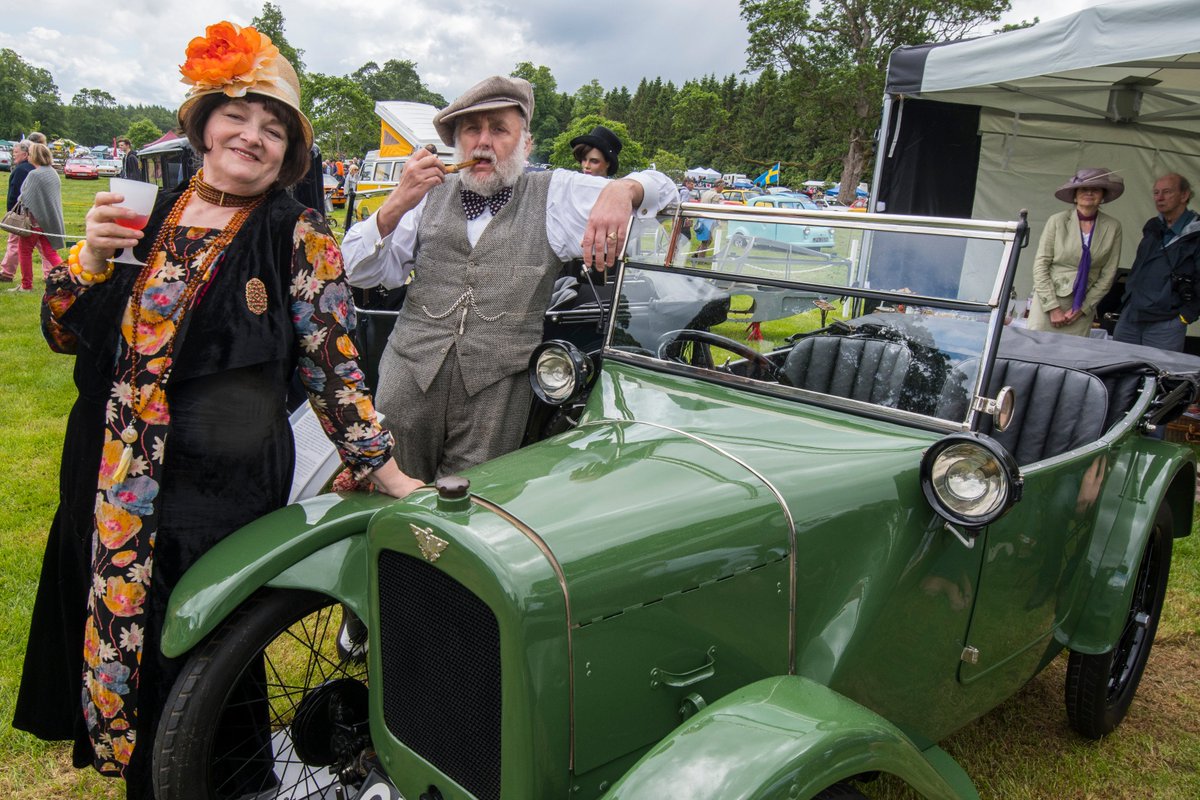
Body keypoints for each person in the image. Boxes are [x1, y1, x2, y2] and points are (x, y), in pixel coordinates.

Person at [12, 20, 421, 799]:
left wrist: (382, 469)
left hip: (213, 495)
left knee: (194, 655)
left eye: (275, 129)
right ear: (203, 124)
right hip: (106, 476)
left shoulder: (295, 234)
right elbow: (65, 332)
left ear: (290, 155)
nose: (254, 136)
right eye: (239, 114)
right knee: (114, 636)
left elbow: (334, 364)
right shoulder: (150, 211)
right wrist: (89, 260)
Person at [342, 75, 676, 482]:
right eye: (472, 129)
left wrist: (624, 189)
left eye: (499, 129)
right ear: (458, 142)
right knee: (387, 491)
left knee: (472, 503)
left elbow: (666, 192)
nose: (484, 142)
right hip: (408, 375)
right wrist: (394, 204)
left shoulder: (554, 194)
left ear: (525, 143)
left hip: (497, 390)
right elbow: (357, 269)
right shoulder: (427, 192)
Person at [1028, 168, 1124, 336]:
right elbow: (1040, 265)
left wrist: (1084, 308)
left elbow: (1108, 274)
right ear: (1074, 195)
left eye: (1095, 189)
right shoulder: (1057, 221)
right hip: (1048, 303)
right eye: (1084, 189)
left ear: (1103, 196)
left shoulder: (1113, 226)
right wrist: (1052, 307)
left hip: (1082, 307)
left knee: (1070, 358)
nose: (1089, 193)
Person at [1114, 172, 1200, 351]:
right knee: (1118, 370)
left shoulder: (1196, 233)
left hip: (1167, 322)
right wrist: (1128, 300)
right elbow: (1138, 268)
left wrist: (1185, 316)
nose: (1160, 197)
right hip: (1132, 315)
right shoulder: (1153, 226)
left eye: (1167, 192)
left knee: (1157, 374)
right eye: (1156, 192)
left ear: (1184, 195)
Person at [8, 142, 65, 292]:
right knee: (50, 252)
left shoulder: (35, 174)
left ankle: (26, 285)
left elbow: (24, 197)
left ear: (35, 156)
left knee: (25, 251)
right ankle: (68, 276)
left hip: (34, 221)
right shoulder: (52, 172)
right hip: (48, 220)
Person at [0, 140, 34, 282]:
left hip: (21, 213)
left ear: (25, 154)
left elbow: (16, 192)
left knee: (14, 242)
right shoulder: (33, 168)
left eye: (16, 153)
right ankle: (48, 272)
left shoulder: (21, 169)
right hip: (33, 212)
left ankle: (7, 272)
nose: (14, 155)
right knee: (44, 246)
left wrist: (11, 211)